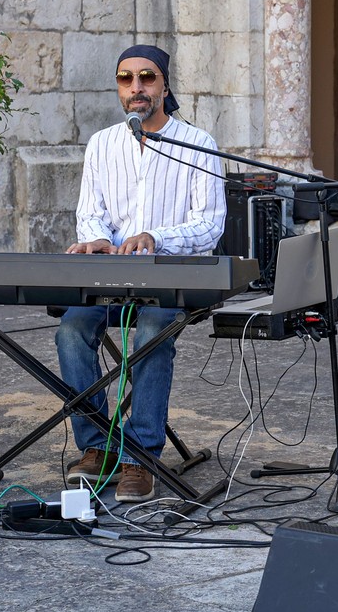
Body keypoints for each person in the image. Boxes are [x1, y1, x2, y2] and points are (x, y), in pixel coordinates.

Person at [56, 44, 226, 503]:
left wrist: (155, 238)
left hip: (172, 283)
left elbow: (210, 225)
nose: (136, 87)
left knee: (151, 331)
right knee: (71, 329)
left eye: (147, 77)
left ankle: (141, 456)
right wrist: (95, 239)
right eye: (125, 78)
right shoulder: (102, 143)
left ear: (164, 86)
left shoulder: (198, 143)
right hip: (110, 279)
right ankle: (98, 447)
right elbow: (90, 214)